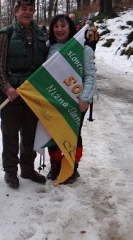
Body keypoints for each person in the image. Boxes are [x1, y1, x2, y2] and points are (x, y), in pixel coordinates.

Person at [0, 0, 48, 189]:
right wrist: (6, 88)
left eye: (30, 9)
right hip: (12, 94)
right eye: (23, 9)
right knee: (10, 135)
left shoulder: (41, 34)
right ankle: (10, 171)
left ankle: (27, 168)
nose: (27, 12)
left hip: (33, 94)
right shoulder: (5, 34)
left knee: (30, 133)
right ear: (15, 12)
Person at [45, 14, 96, 184]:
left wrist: (86, 99)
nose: (59, 30)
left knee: (73, 134)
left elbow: (90, 76)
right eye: (56, 26)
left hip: (76, 101)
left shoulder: (84, 49)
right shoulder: (49, 47)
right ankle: (56, 165)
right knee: (53, 133)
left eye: (63, 26)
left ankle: (72, 167)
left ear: (70, 28)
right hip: (54, 99)